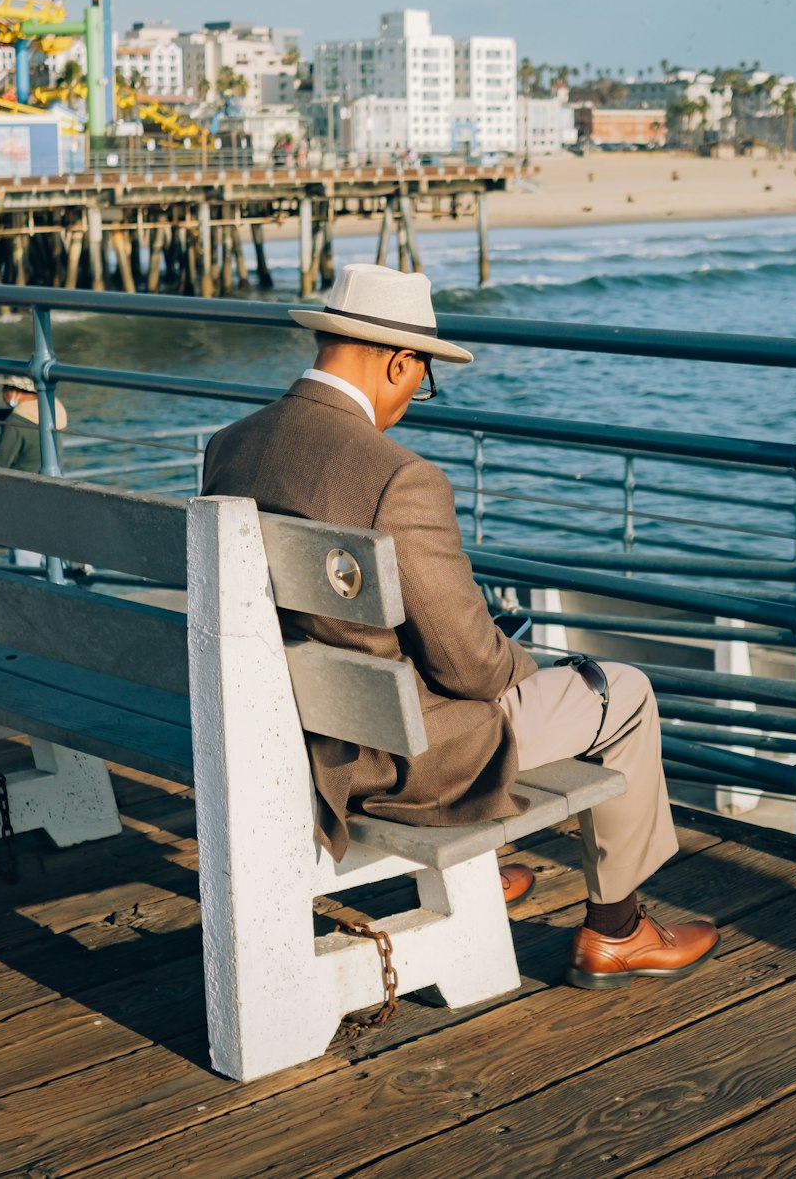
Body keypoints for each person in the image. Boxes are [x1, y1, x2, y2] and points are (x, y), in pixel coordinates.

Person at [202, 264, 719, 987]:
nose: (416, 393)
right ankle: (618, 931)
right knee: (621, 691)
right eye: (423, 375)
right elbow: (471, 666)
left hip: (288, 732)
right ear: (398, 359)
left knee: (435, 665)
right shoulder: (398, 477)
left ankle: (483, 867)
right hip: (395, 757)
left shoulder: (231, 446)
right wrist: (526, 668)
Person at [0, 375, 68, 568]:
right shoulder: (50, 410)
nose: (3, 395)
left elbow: (0, 461)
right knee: (49, 558)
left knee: (25, 561)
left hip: (22, 496)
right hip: (51, 489)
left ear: (14, 391)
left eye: (5, 390)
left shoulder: (18, 420)